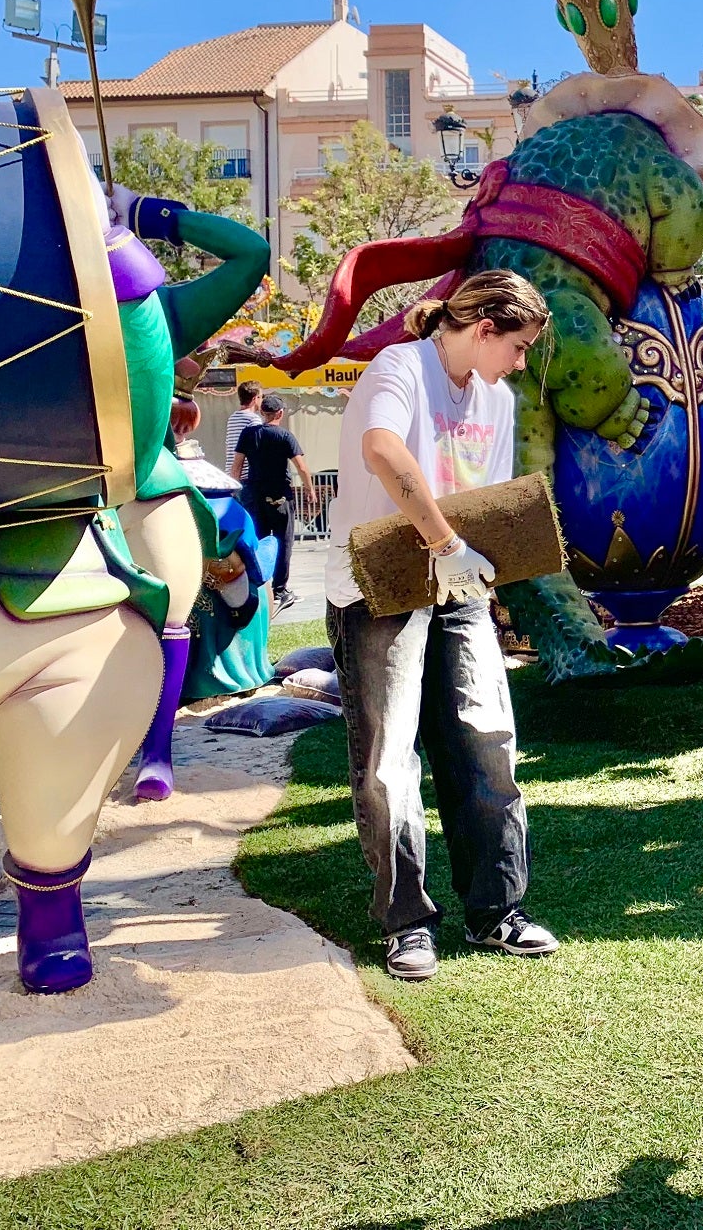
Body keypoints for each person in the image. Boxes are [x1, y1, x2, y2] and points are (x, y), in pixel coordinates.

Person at [324, 270, 559, 981]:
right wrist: (447, 544)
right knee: (391, 757)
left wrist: (477, 572)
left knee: (486, 738)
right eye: (516, 347)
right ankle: (407, 924)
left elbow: (481, 496)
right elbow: (383, 451)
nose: (519, 364)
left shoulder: (496, 396)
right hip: (377, 584)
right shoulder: (402, 366)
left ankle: (497, 911)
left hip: (455, 588)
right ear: (483, 327)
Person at [232, 395, 314, 609]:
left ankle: (259, 585)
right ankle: (280, 589)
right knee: (283, 542)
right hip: (280, 497)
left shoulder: (248, 434)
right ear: (280, 413)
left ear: (262, 412)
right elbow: (302, 467)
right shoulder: (285, 436)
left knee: (258, 540)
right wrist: (310, 489)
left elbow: (237, 465)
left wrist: (235, 491)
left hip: (254, 495)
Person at [225, 379, 263, 460]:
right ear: (255, 399)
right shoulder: (254, 419)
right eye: (261, 397)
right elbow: (256, 448)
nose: (262, 400)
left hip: (230, 468)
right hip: (247, 470)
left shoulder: (232, 418)